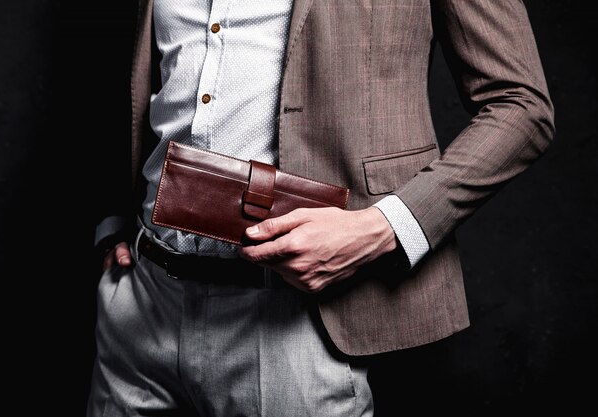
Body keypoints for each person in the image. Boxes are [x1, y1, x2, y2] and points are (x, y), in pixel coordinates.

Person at [87, 1, 555, 416]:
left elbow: (521, 105)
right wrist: (112, 219)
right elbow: (147, 73)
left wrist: (384, 228)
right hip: (140, 303)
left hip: (293, 322)